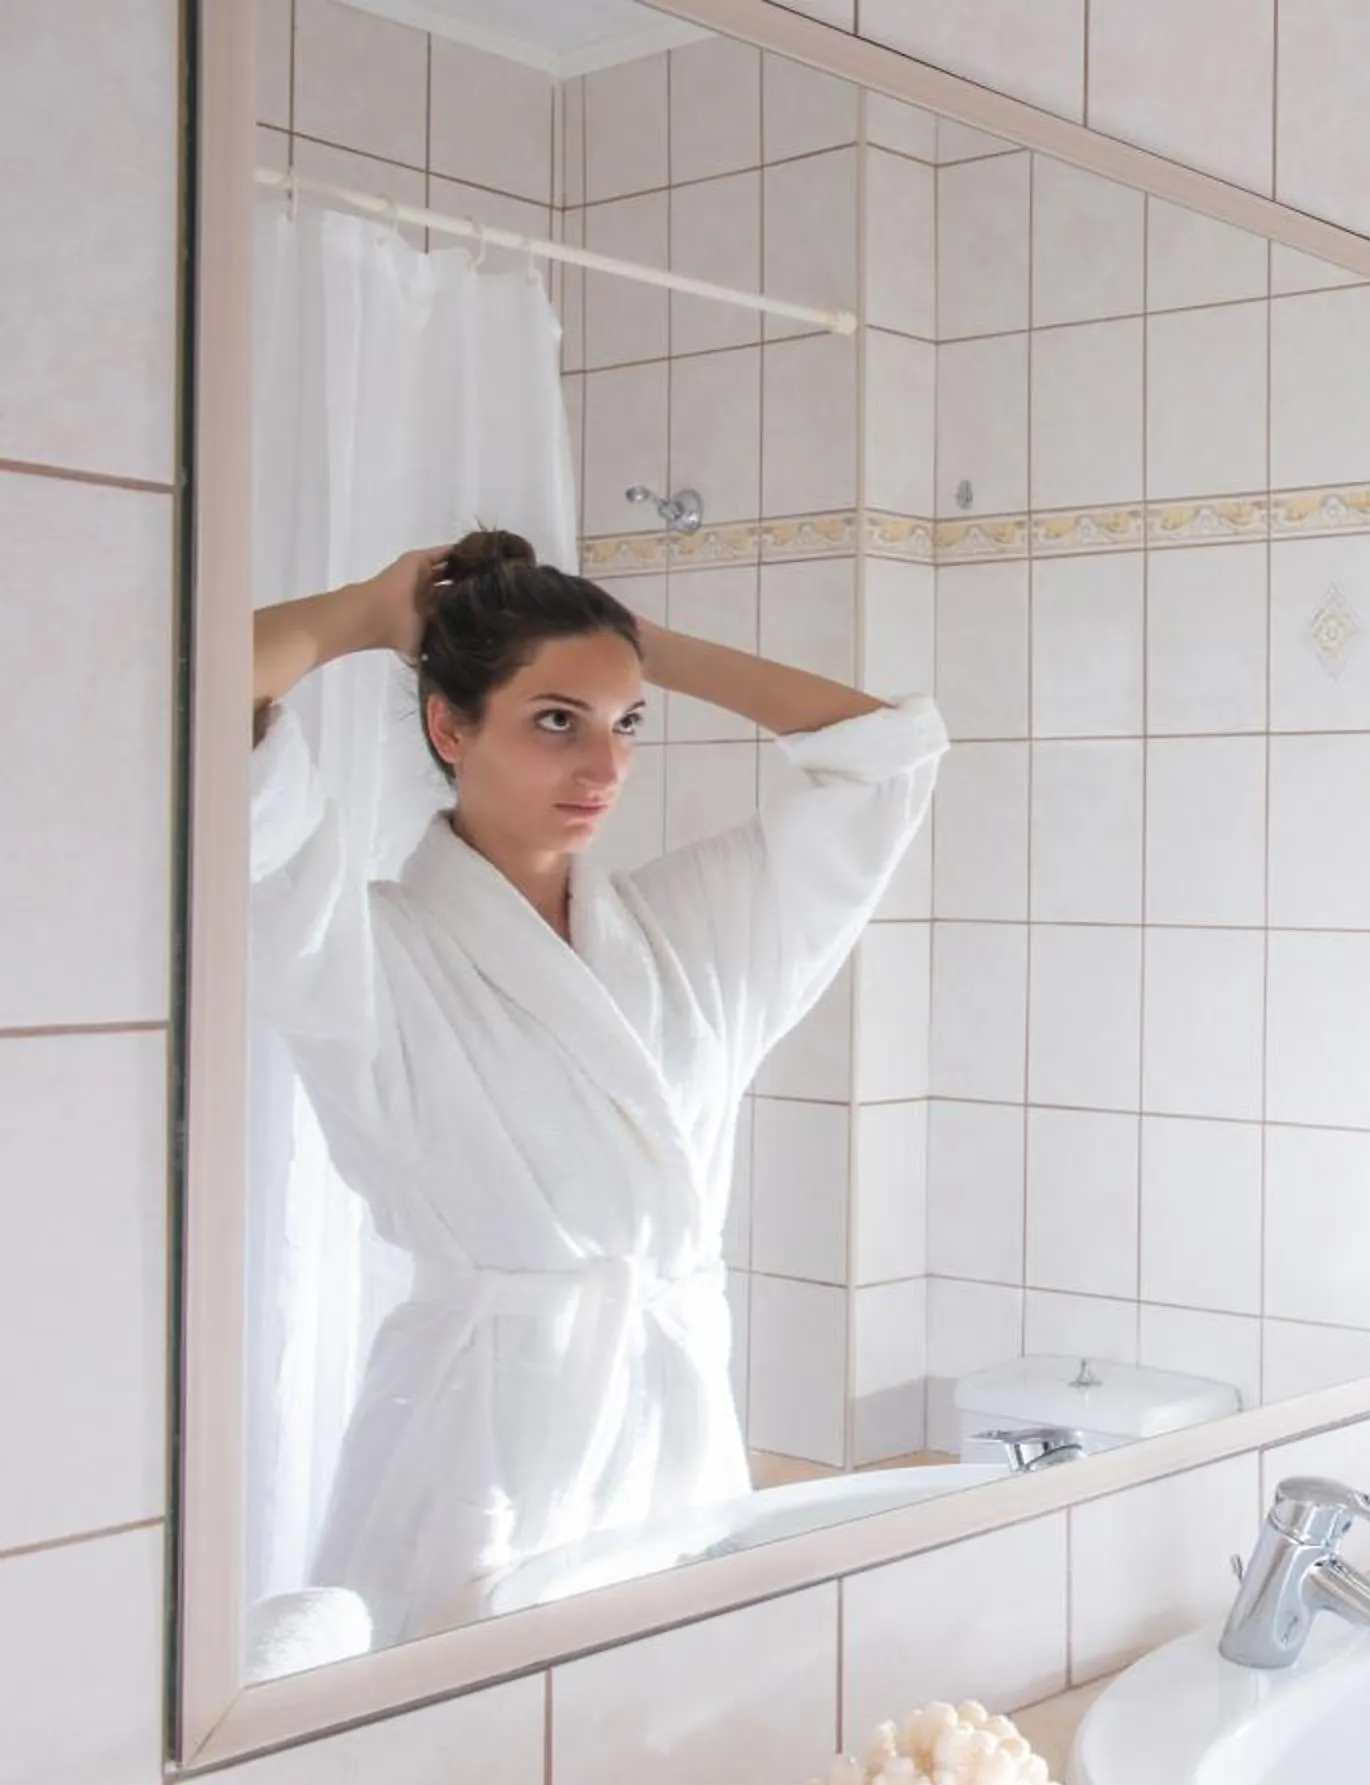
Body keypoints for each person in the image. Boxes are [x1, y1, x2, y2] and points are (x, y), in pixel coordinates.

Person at [248, 531, 947, 1646]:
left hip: (676, 1445)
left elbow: (885, 754)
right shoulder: (360, 947)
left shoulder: (686, 936)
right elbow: (203, 700)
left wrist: (630, 645)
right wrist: (366, 616)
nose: (604, 768)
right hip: (476, 1452)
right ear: (450, 727)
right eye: (555, 722)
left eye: (627, 724)